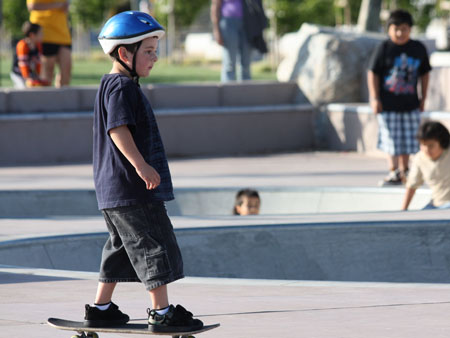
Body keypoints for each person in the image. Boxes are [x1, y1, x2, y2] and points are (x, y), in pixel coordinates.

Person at [85, 11, 203, 333]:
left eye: (155, 50)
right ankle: (161, 312)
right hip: (132, 189)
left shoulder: (112, 85)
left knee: (121, 247)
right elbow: (117, 129)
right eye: (148, 51)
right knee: (152, 245)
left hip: (113, 192)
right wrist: (141, 165)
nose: (155, 57)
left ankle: (100, 308)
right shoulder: (122, 87)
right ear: (125, 53)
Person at [367, 9, 431, 186]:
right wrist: (374, 98)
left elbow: (425, 74)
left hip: (410, 103)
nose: (399, 33)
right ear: (388, 30)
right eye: (395, 29)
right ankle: (393, 171)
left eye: (403, 29)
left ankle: (406, 170)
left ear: (410, 29)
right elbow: (373, 73)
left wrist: (423, 98)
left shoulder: (418, 48)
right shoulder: (384, 48)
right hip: (388, 103)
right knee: (392, 139)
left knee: (409, 138)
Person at [211, 0, 268, 82]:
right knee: (229, 63)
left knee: (246, 62)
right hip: (228, 23)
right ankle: (228, 91)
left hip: (248, 23)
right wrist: (216, 30)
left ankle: (245, 91)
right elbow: (215, 5)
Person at [402, 121, 450, 211]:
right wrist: (403, 210)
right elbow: (412, 186)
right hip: (437, 204)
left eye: (431, 146)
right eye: (423, 145)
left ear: (442, 143)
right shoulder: (419, 159)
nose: (426, 149)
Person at [27, 0, 72, 87]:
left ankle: (61, 99)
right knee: (47, 73)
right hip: (43, 33)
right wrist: (57, 5)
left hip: (62, 33)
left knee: (66, 71)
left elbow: (65, 6)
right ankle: (45, 99)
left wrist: (65, 6)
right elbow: (32, 6)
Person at [10, 21, 50, 88]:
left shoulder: (38, 46)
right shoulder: (22, 45)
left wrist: (38, 77)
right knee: (23, 88)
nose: (43, 35)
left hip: (29, 74)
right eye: (40, 33)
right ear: (32, 35)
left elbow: (38, 63)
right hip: (18, 74)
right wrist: (28, 79)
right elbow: (23, 64)